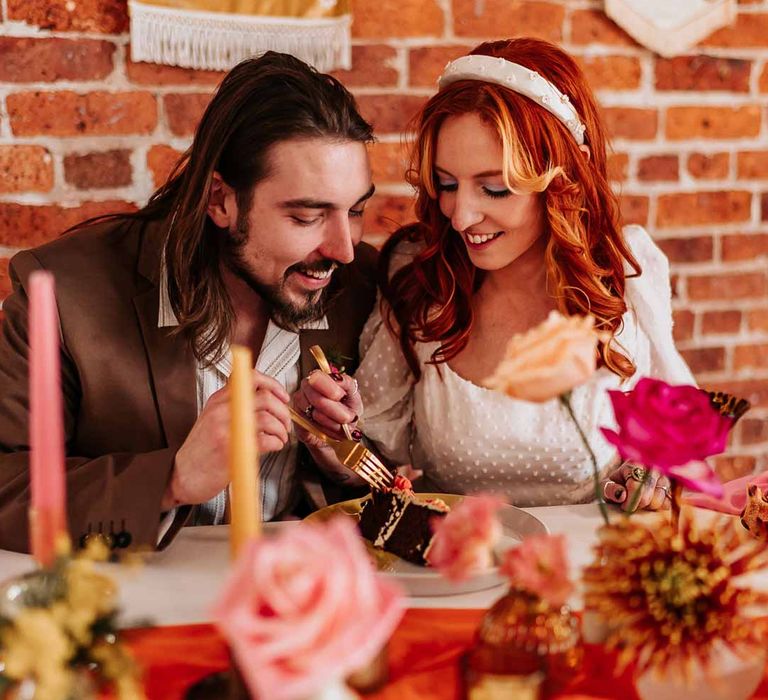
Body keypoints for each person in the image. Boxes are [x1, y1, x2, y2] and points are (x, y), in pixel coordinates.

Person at [0, 52, 377, 554]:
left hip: (293, 595)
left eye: (355, 210)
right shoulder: (63, 290)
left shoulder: (358, 281)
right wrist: (173, 478)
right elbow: (7, 488)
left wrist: (339, 454)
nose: (342, 249)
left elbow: (382, 484)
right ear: (221, 200)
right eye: (307, 216)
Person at [355, 38, 695, 512]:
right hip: (454, 571)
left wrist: (651, 475)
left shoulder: (626, 272)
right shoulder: (420, 277)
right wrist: (332, 431)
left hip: (589, 570)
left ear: (559, 186)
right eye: (447, 185)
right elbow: (371, 449)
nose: (460, 216)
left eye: (494, 189)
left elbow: (677, 445)